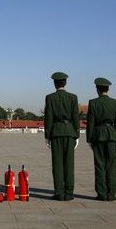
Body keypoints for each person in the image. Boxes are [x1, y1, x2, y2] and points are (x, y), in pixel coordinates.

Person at [44, 72, 80, 201]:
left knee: (57, 164)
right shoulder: (73, 97)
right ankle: (69, 193)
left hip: (56, 132)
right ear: (65, 83)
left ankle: (59, 192)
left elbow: (48, 117)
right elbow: (76, 117)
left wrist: (47, 136)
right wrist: (77, 134)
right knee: (69, 164)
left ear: (55, 84)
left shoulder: (50, 98)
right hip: (70, 132)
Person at [86, 77, 116, 201]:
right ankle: (111, 194)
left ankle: (101, 193)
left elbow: (90, 123)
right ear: (108, 89)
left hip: (98, 135)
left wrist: (89, 139)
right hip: (111, 135)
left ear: (97, 89)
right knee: (111, 165)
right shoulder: (115, 103)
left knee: (99, 165)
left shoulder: (93, 103)